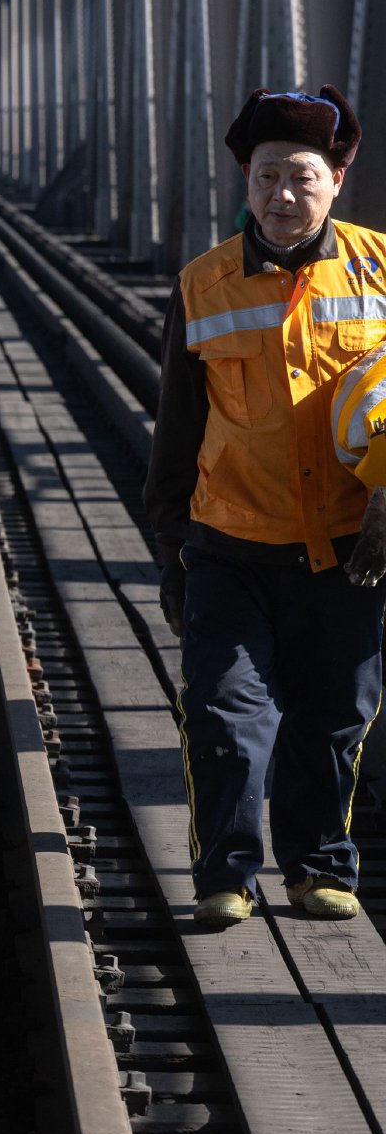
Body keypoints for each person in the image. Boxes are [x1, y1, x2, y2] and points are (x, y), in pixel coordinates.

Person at [146, 84, 386, 927]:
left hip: (350, 546)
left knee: (333, 717)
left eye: (302, 177)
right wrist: (172, 551)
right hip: (232, 542)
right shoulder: (202, 284)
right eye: (266, 177)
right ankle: (228, 875)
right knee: (224, 713)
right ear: (245, 181)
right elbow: (178, 428)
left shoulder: (381, 268)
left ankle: (318, 868)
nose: (283, 195)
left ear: (336, 180)